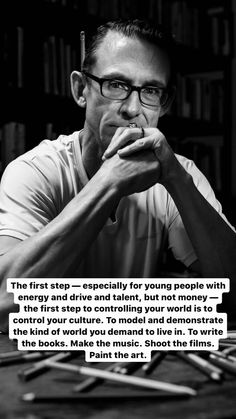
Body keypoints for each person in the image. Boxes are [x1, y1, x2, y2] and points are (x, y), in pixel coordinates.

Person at [0, 19, 235, 331]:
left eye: (150, 90)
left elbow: (232, 294)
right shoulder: (34, 171)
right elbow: (4, 303)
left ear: (164, 104)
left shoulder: (179, 173)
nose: (133, 108)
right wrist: (108, 182)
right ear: (80, 90)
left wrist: (177, 181)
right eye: (116, 85)